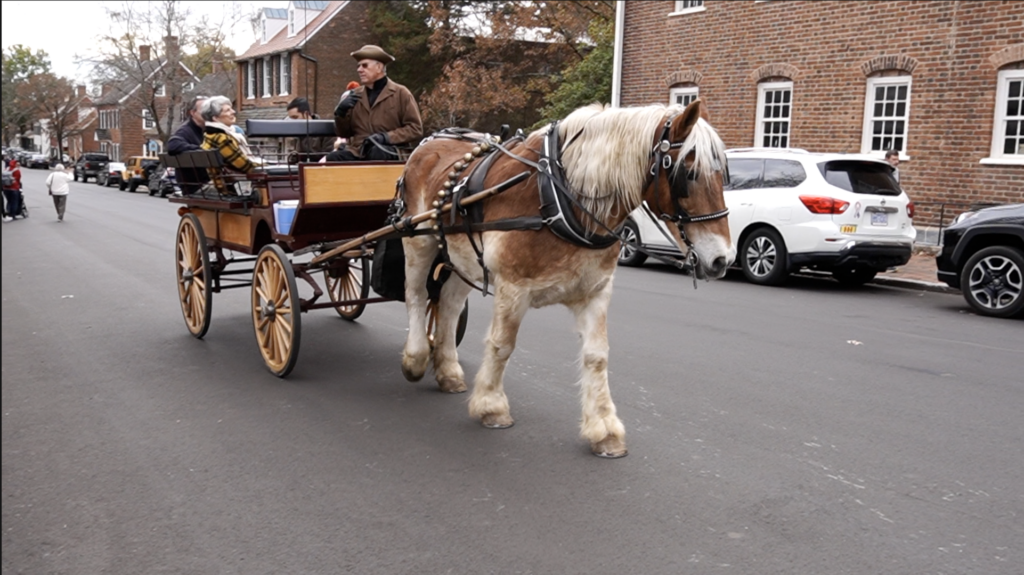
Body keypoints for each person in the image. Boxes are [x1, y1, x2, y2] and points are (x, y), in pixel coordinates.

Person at [326, 45, 423, 162]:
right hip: (359, 151)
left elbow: (415, 129)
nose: (359, 70)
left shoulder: (400, 93)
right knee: (333, 158)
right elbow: (345, 133)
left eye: (364, 65)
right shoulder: (354, 95)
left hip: (390, 149)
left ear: (379, 67)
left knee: (377, 152)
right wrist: (340, 113)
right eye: (358, 66)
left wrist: (385, 137)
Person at [200, 95, 260, 193]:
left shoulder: (210, 134)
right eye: (227, 110)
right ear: (215, 118)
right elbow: (246, 166)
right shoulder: (221, 138)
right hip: (232, 189)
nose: (233, 112)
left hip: (226, 185)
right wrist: (271, 166)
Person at [167, 95, 209, 194]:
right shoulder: (185, 131)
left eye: (210, 110)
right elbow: (173, 145)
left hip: (209, 183)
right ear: (193, 112)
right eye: (204, 110)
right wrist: (203, 149)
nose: (208, 113)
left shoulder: (210, 130)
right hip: (197, 188)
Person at [285, 97, 334, 163]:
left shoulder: (325, 130)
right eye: (291, 118)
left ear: (306, 114)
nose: (292, 121)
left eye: (295, 117)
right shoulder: (298, 131)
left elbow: (328, 156)